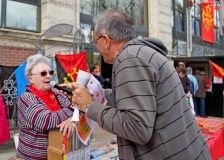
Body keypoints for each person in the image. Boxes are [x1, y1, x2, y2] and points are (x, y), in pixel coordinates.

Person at [61, 9, 211, 159]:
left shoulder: (129, 59)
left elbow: (136, 128)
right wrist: (94, 92)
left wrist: (89, 105)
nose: (96, 48)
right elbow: (137, 98)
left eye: (95, 41)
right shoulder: (143, 54)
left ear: (106, 40)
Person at [17, 54, 74, 160]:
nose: (48, 76)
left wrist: (69, 120)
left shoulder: (57, 94)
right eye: (43, 73)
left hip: (60, 154)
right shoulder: (27, 98)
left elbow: (80, 112)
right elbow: (47, 121)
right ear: (31, 79)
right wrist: (72, 110)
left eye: (50, 72)